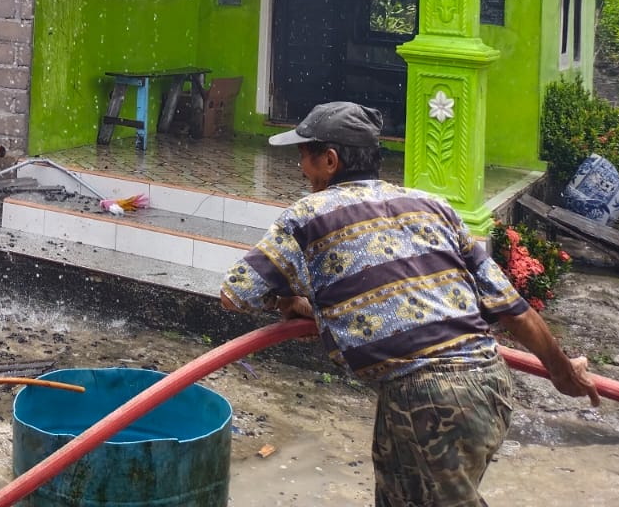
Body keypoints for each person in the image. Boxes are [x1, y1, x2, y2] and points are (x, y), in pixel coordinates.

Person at [219, 101, 598, 507]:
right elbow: (512, 307)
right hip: (490, 385)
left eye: (304, 159)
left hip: (427, 401)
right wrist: (561, 372)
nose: (301, 170)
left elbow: (235, 294)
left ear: (330, 160)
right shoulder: (433, 206)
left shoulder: (309, 215)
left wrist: (289, 298)